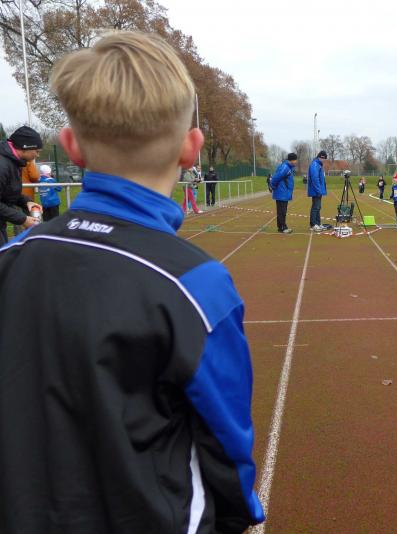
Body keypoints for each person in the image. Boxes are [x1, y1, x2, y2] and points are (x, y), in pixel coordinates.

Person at [0, 31, 264, 532]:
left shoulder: (10, 259)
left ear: (71, 146)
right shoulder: (198, 285)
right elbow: (227, 444)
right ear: (191, 148)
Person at [0, 126, 43, 244]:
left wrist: (26, 202)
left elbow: (8, 192)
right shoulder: (2, 165)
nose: (37, 155)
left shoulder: (13, 162)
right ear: (25, 147)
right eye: (37, 151)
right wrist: (23, 219)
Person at [271, 152, 297, 234]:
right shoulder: (285, 167)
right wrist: (273, 186)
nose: (296, 162)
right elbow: (275, 178)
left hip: (284, 193)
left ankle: (281, 227)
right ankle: (283, 227)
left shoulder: (288, 167)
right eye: (295, 160)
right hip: (282, 193)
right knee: (282, 211)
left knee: (282, 211)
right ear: (292, 160)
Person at [307, 150, 328, 231]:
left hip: (318, 190)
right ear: (321, 157)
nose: (324, 161)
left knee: (318, 207)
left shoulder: (318, 165)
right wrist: (319, 190)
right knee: (315, 207)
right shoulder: (315, 164)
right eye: (324, 159)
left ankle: (318, 223)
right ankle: (313, 224)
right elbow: (315, 178)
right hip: (316, 190)